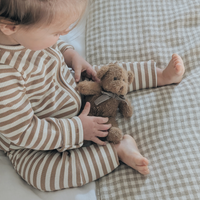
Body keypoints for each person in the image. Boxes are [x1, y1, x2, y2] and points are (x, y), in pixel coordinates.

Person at [0, 0, 185, 191]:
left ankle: (160, 75)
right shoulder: (4, 76)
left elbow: (51, 42)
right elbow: (23, 132)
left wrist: (70, 55)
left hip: (70, 87)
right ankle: (116, 151)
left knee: (107, 76)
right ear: (9, 27)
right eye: (56, 32)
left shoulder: (27, 32)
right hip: (34, 140)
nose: (63, 34)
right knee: (41, 175)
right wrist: (77, 129)